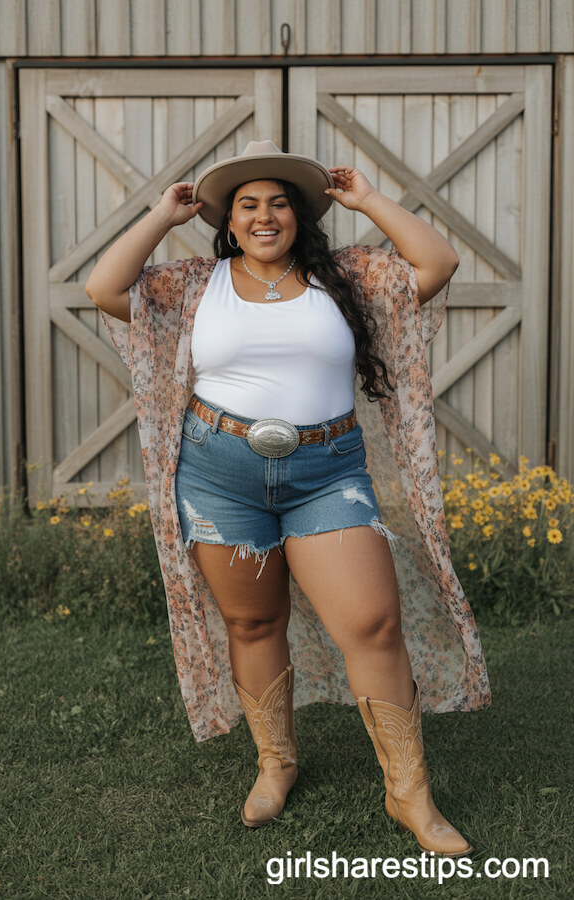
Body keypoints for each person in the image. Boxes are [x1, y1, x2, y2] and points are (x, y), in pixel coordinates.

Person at [86, 141, 490, 858]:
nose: (265, 215)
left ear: (299, 216)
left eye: (278, 203)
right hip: (218, 476)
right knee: (252, 623)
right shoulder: (193, 284)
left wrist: (367, 200)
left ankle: (409, 792)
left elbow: (438, 265)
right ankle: (276, 762)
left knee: (372, 623)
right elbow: (104, 290)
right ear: (229, 221)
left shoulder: (352, 277)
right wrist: (160, 214)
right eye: (248, 205)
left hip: (327, 474)